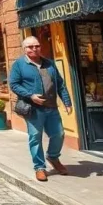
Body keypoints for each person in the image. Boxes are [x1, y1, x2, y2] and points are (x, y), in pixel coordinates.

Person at [9, 36, 73, 182]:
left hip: (51, 107)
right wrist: (31, 96)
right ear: (24, 49)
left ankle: (53, 157)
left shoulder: (49, 63)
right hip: (33, 108)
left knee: (59, 134)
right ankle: (39, 167)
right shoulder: (19, 65)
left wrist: (67, 102)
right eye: (30, 47)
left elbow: (60, 84)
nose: (34, 49)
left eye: (36, 46)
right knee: (35, 137)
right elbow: (14, 84)